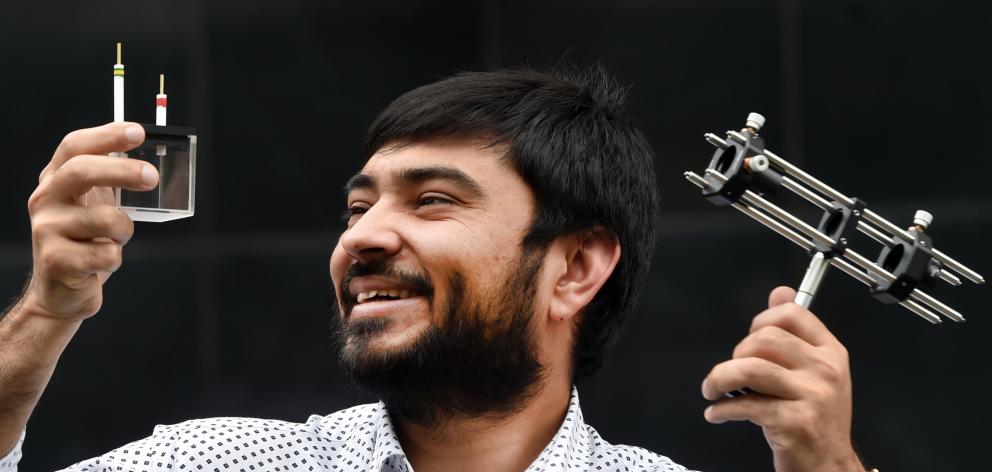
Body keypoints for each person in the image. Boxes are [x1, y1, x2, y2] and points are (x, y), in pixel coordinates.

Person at [0, 67, 867, 471]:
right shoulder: (223, 463)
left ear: (575, 269)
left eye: (433, 201)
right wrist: (45, 312)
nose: (363, 237)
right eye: (357, 206)